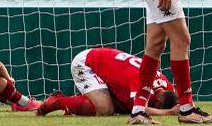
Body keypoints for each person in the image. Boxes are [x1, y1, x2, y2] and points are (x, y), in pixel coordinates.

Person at [36, 47, 179, 117]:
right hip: (87, 63)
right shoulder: (141, 79)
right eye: (157, 104)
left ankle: (76, 105)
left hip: (107, 66)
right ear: (159, 101)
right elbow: (141, 109)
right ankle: (55, 101)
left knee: (121, 105)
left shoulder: (167, 86)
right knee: (105, 109)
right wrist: (169, 112)